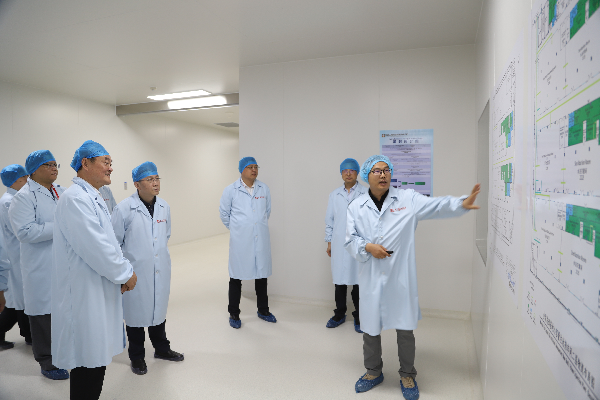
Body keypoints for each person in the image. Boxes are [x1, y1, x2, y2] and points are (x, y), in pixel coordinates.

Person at [345, 155, 480, 400]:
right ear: (366, 176)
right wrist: (367, 247)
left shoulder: (407, 199)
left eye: (386, 170)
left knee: (405, 329)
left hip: (400, 277)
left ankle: (407, 374)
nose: (383, 174)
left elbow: (436, 205)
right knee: (370, 328)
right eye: (377, 171)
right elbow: (349, 240)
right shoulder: (356, 206)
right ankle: (373, 372)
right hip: (371, 277)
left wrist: (461, 203)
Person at [51, 140, 137, 400]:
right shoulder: (75, 199)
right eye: (105, 162)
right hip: (83, 295)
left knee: (94, 362)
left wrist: (120, 271)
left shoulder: (92, 196)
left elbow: (108, 243)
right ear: (85, 163)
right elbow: (97, 248)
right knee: (87, 364)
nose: (111, 167)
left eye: (111, 163)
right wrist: (126, 274)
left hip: (96, 289)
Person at [112, 161, 183, 376]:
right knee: (135, 316)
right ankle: (137, 357)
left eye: (157, 178)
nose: (155, 183)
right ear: (137, 184)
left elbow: (165, 235)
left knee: (158, 310)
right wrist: (124, 271)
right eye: (150, 179)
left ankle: (161, 348)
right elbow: (114, 243)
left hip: (159, 268)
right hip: (134, 272)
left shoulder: (164, 206)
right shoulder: (124, 208)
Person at [8, 151, 68, 380]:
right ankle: (47, 362)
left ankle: (62, 355)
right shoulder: (23, 197)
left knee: (61, 314)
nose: (54, 168)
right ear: (33, 171)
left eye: (55, 164)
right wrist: (60, 227)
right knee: (43, 316)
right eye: (48, 165)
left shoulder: (60, 191)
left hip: (63, 263)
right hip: (40, 267)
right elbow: (25, 232)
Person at [219, 156, 276, 329]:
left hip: (260, 239)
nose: (254, 170)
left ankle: (263, 310)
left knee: (261, 276)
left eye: (256, 167)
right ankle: (234, 313)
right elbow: (224, 214)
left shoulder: (263, 188)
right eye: (250, 167)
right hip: (240, 241)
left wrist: (254, 225)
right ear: (241, 170)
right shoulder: (230, 190)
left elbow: (267, 212)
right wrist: (239, 228)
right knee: (236, 276)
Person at [324, 158, 366, 332]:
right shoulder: (334, 195)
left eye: (352, 170)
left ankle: (359, 316)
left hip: (359, 243)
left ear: (357, 173)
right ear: (341, 173)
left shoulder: (366, 193)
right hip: (339, 243)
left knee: (358, 282)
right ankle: (339, 314)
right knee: (340, 281)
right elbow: (330, 220)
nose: (348, 173)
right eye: (345, 170)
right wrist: (329, 242)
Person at [0, 165, 31, 349]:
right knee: (19, 300)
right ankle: (29, 335)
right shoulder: (9, 202)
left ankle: (29, 334)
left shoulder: (12, 199)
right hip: (15, 256)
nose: (27, 181)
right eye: (24, 178)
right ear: (16, 180)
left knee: (19, 299)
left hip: (18, 255)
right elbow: (20, 229)